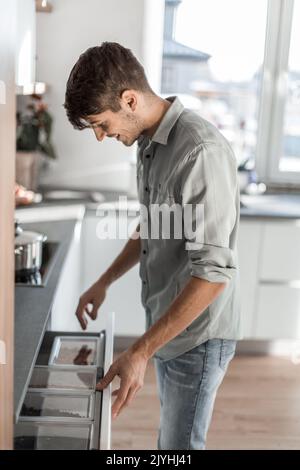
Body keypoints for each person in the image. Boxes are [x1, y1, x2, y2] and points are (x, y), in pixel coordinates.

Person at [64, 42, 242, 450]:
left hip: (198, 334)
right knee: (171, 439)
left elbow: (213, 273)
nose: (99, 136)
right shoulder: (148, 142)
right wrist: (103, 281)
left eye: (100, 123)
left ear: (129, 100)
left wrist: (140, 352)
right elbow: (154, 225)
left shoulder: (198, 151)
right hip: (166, 321)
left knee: (179, 448)